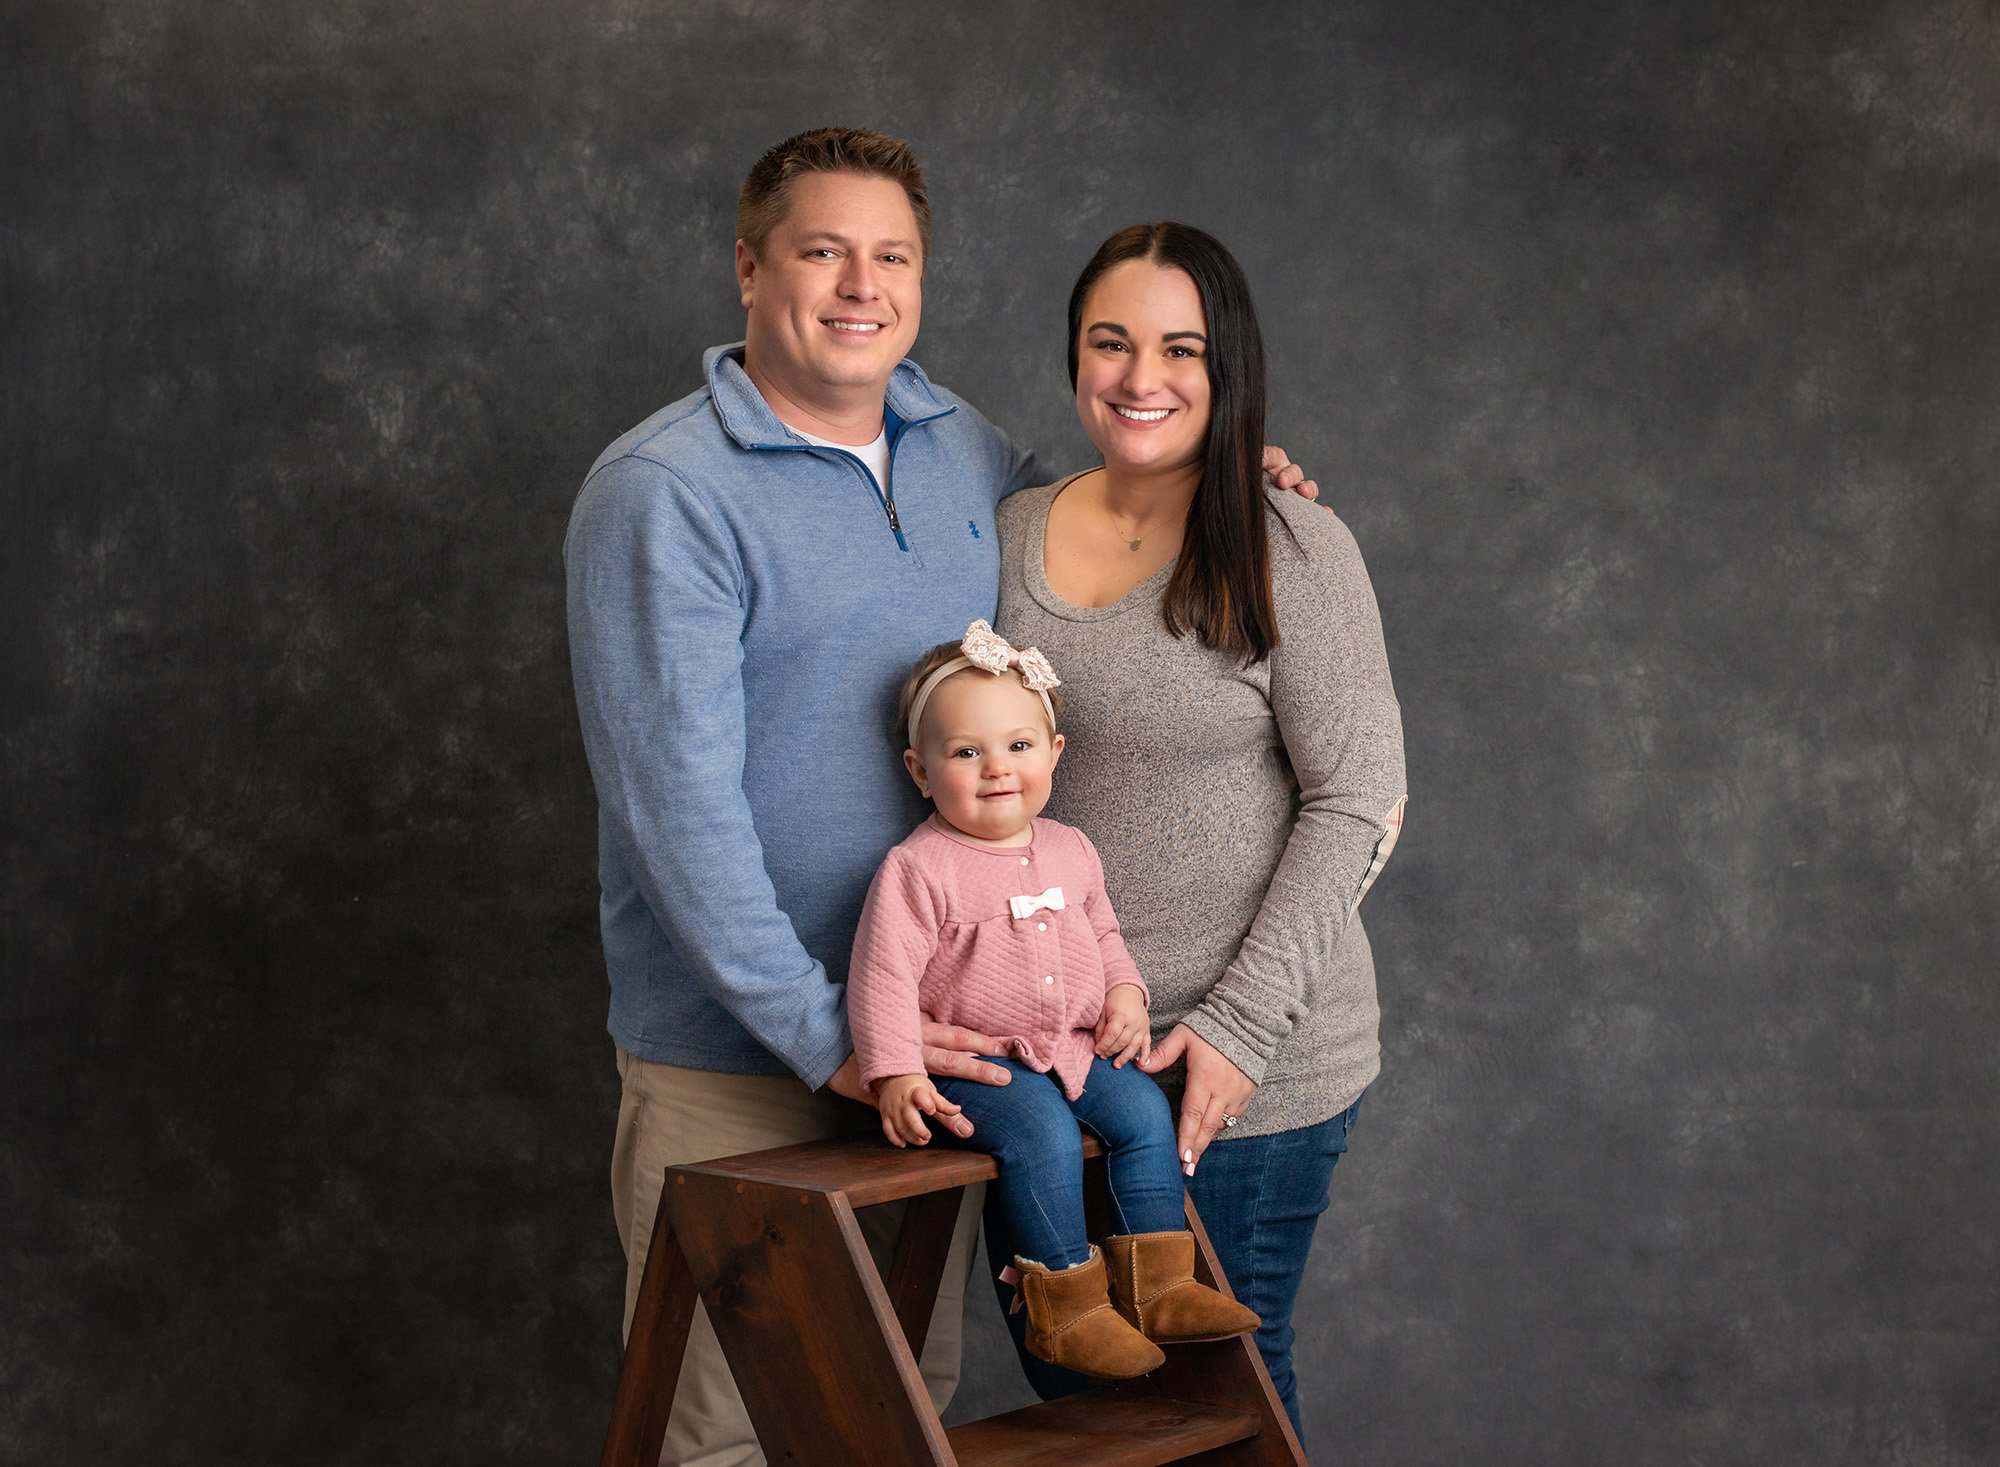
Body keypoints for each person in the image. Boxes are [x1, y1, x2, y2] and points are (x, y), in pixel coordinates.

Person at [565, 130, 1319, 1465]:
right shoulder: (664, 491)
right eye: (821, 251)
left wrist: (1221, 473)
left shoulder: (958, 442)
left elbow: (1100, 522)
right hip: (750, 1059)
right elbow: (674, 812)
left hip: (943, 1050)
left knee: (902, 1404)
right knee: (731, 1431)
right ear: (749, 268)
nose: (861, 285)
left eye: (892, 256)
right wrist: (837, 1039)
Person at [992, 222, 1408, 1439]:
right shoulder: (1007, 531)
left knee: (1219, 1412)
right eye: (1108, 343)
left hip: (1235, 1072)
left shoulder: (1290, 546)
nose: (1140, 378)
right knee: (1074, 1393)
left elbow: (1357, 799)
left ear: (1227, 368)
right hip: (1056, 1067)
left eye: (1180, 349)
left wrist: (1232, 1033)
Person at [847, 620, 1259, 1381]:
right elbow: (883, 978)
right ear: (920, 768)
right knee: (1040, 1127)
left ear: (1054, 753)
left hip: (1069, 1043)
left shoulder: (1071, 846)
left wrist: (1127, 991)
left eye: (1018, 746)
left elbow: (1103, 932)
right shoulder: (918, 868)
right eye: (967, 752)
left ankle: (1161, 1283)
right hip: (974, 1061)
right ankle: (1065, 1305)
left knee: (1139, 1110)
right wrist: (895, 1071)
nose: (997, 768)